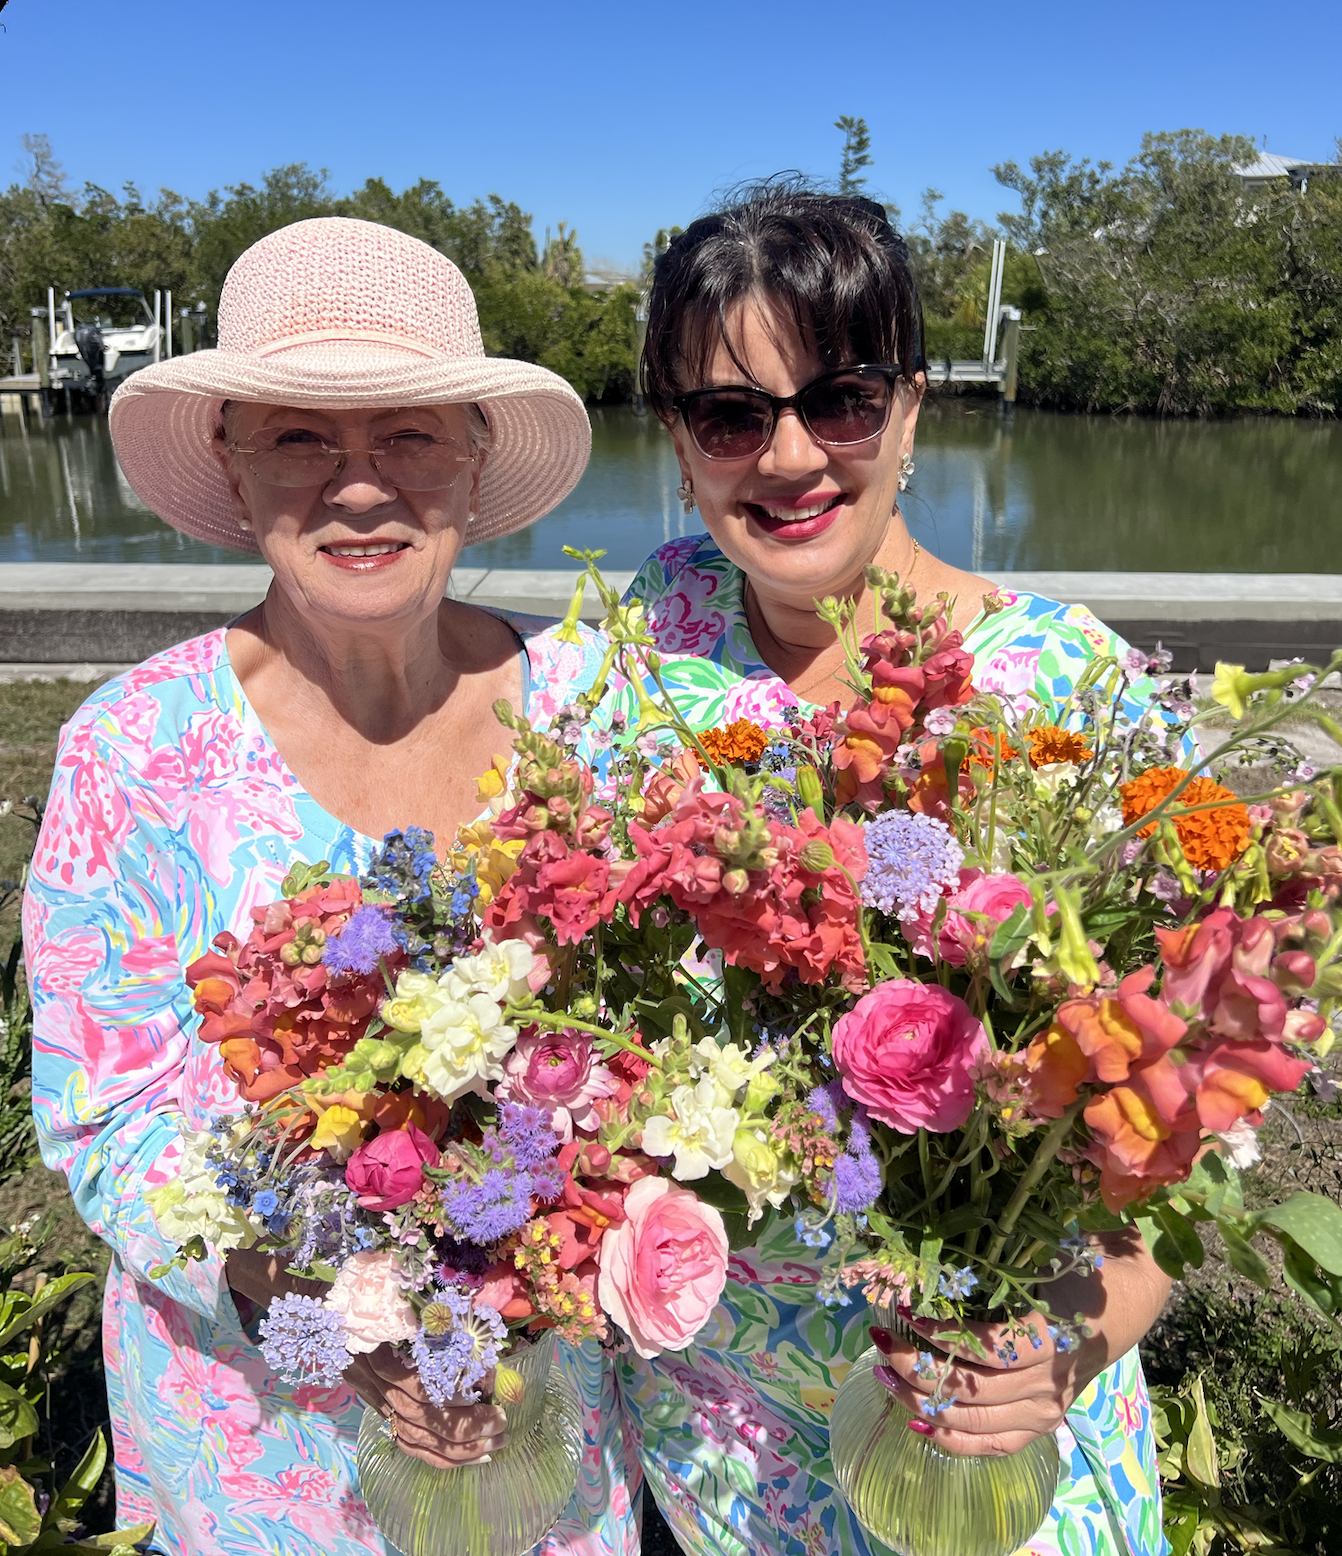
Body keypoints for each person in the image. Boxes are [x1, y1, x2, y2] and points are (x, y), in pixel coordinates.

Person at [25, 218, 638, 1556]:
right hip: (254, 1448)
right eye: (301, 440)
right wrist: (332, 1305)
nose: (360, 488)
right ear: (234, 478)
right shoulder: (131, 754)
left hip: (542, 1430)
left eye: (411, 436)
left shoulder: (599, 713)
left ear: (475, 471)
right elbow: (106, 1125)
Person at [620, 183, 1172, 1556]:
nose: (790, 458)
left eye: (841, 400)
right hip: (727, 1432)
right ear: (681, 443)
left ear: (913, 411)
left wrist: (1063, 1349)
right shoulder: (649, 633)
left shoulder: (1066, 689)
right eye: (730, 416)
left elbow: (1176, 1125)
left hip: (990, 1423)